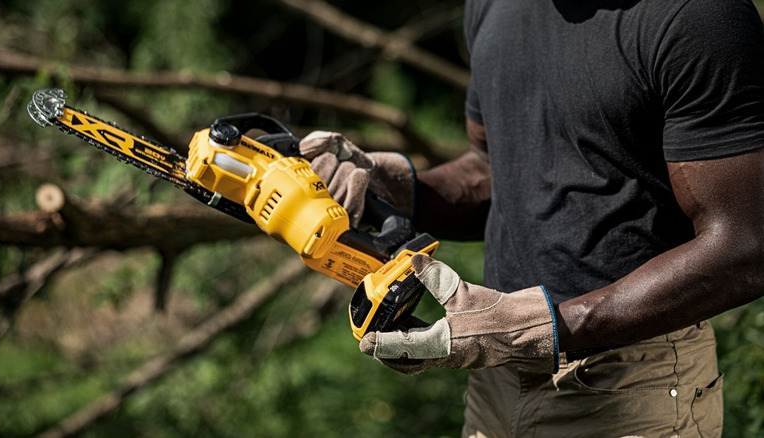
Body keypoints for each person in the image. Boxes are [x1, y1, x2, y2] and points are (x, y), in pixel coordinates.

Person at [300, 0, 764, 436]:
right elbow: (493, 170)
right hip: (495, 385)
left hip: (635, 389)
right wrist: (390, 188)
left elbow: (745, 245)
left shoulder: (699, 15)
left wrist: (541, 327)